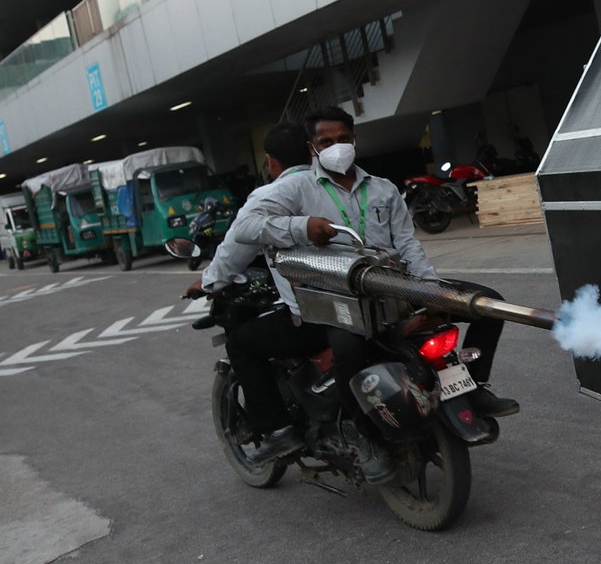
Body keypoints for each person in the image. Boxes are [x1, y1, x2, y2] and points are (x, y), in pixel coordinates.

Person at [232, 107, 520, 480]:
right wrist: (303, 226)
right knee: (349, 350)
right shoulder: (293, 190)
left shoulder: (383, 188)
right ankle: (364, 437)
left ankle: (474, 386)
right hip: (340, 304)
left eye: (343, 139)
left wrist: (433, 294)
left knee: (488, 303)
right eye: (326, 142)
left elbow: (408, 245)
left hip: (396, 292)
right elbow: (246, 227)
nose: (337, 147)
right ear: (311, 148)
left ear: (355, 140)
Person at [185, 123, 322, 465]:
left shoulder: (268, 196)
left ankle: (278, 431)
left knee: (242, 344)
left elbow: (235, 248)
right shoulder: (341, 186)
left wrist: (209, 282)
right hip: (370, 296)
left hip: (316, 313)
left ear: (270, 162)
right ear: (311, 149)